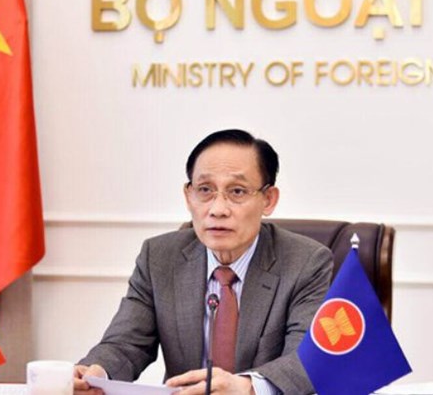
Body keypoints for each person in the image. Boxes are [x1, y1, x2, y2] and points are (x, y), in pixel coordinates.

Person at [73, 129, 333, 394]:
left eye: (237, 191)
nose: (217, 209)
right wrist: (96, 373)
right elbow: (127, 343)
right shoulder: (159, 257)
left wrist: (248, 388)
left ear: (268, 199)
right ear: (189, 196)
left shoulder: (306, 262)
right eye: (205, 190)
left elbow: (307, 359)